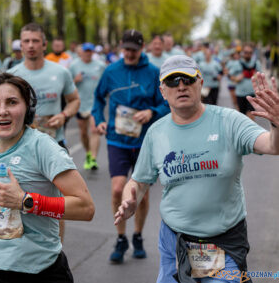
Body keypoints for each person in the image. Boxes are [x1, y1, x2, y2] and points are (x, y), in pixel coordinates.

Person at [115, 55, 279, 283]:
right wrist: (130, 200)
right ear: (163, 91)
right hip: (175, 241)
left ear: (200, 83)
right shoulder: (156, 133)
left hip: (223, 243)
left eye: (187, 79)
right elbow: (138, 181)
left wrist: (276, 123)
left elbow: (272, 145)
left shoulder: (229, 121)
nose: (181, 86)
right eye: (173, 81)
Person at [0, 73, 95, 282]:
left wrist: (25, 201)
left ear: (27, 109)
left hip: (39, 270)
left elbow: (85, 208)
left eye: (12, 102)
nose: (2, 111)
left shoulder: (44, 148)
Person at [92, 29, 169, 264]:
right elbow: (98, 98)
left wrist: (151, 112)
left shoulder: (153, 73)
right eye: (126, 49)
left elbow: (165, 103)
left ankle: (137, 235)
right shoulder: (111, 71)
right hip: (117, 139)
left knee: (141, 196)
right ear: (120, 47)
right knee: (118, 189)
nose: (129, 53)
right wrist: (99, 120)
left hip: (145, 141)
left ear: (142, 48)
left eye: (134, 50)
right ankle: (121, 237)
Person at [9, 23, 80, 241]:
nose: (30, 46)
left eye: (35, 41)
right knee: (19, 203)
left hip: (53, 144)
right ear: (21, 45)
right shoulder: (11, 76)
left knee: (56, 204)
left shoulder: (60, 72)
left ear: (44, 44)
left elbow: (74, 100)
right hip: (20, 147)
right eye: (26, 41)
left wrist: (65, 115)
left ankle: (56, 251)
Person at [69, 42, 105, 170]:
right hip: (80, 103)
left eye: (91, 51)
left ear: (93, 52)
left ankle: (93, 159)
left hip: (95, 104)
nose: (88, 53)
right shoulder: (74, 66)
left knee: (94, 130)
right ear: (82, 52)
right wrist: (75, 81)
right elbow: (67, 86)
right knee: (83, 133)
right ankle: (88, 153)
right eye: (86, 51)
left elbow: (106, 82)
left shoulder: (100, 66)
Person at [231, 43, 261, 120]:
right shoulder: (237, 63)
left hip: (252, 93)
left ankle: (251, 131)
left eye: (250, 53)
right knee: (242, 117)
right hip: (240, 93)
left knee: (251, 115)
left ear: (252, 53)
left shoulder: (256, 63)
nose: (248, 54)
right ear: (242, 52)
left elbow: (260, 75)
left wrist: (256, 76)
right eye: (246, 52)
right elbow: (230, 76)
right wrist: (237, 79)